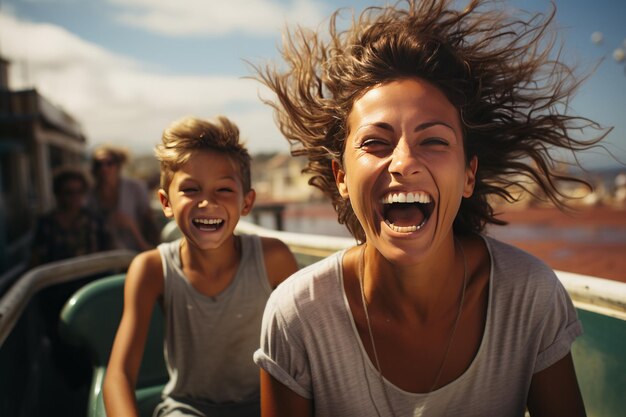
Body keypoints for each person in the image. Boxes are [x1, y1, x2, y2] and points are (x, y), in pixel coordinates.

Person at [252, 1, 607, 416]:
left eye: (434, 141)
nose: (403, 162)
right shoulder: (298, 315)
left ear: (469, 175)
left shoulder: (528, 296)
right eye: (375, 143)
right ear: (342, 176)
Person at [103, 116, 299, 417]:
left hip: (266, 406)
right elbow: (118, 375)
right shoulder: (151, 269)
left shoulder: (273, 258)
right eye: (191, 190)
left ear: (246, 203)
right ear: (166, 202)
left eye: (223, 190)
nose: (207, 203)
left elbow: (307, 350)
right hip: (187, 409)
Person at [31, 166, 112, 266]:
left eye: (80, 191)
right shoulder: (46, 224)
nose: (75, 197)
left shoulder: (95, 221)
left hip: (93, 277)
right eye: (69, 192)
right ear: (58, 194)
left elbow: (108, 254)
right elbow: (36, 258)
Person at [88, 144, 159, 252]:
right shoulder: (90, 194)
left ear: (118, 166)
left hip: (136, 250)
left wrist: (131, 225)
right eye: (99, 164)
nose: (104, 168)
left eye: (109, 163)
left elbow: (149, 222)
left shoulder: (135, 188)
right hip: (104, 257)